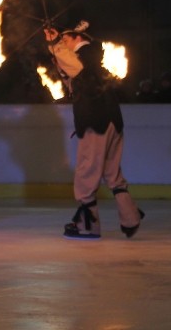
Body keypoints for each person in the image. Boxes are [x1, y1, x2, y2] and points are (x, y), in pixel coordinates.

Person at [44, 20, 144, 240]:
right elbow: (73, 76)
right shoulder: (93, 58)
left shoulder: (83, 56)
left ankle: (87, 226)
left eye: (66, 39)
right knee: (112, 172)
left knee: (86, 172)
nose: (64, 43)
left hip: (94, 121)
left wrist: (54, 44)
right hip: (112, 120)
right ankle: (130, 218)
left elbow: (75, 67)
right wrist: (57, 54)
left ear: (78, 38)